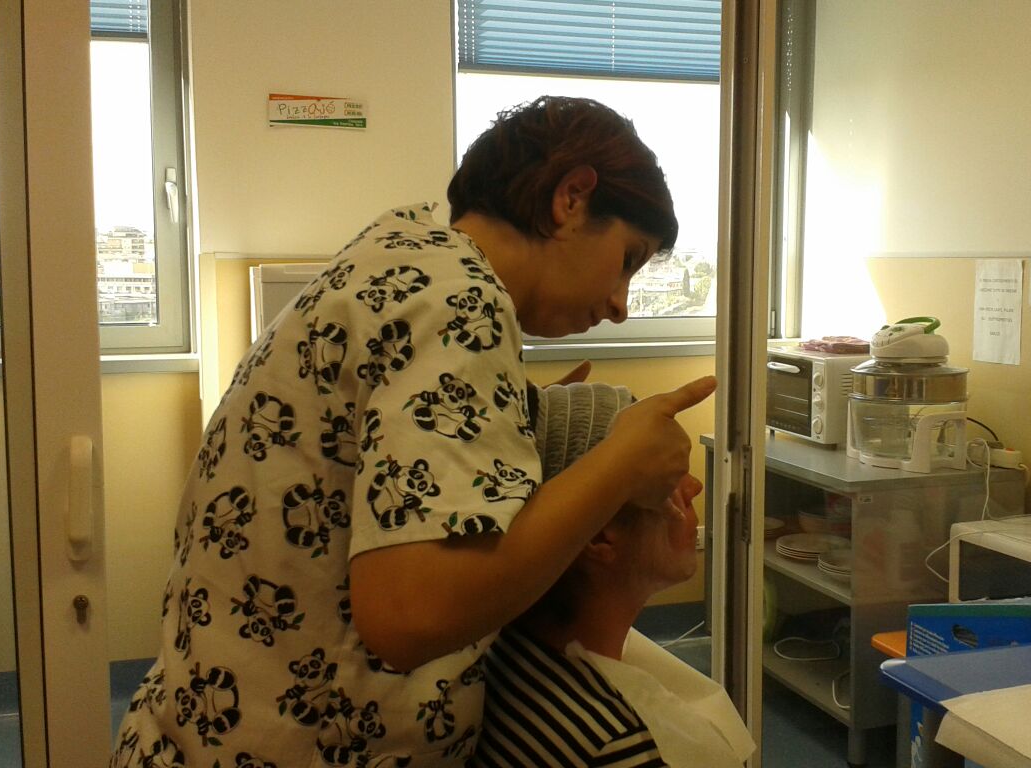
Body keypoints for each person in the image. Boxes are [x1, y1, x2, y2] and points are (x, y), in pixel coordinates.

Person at [110, 95, 716, 768]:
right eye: (627, 259)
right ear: (570, 198)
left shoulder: (405, 253)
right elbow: (408, 617)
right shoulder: (459, 301)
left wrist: (504, 425)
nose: (621, 305)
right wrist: (619, 467)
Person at [472, 382, 754, 768]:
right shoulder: (618, 744)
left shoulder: (501, 648)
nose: (694, 487)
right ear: (599, 534)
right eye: (666, 481)